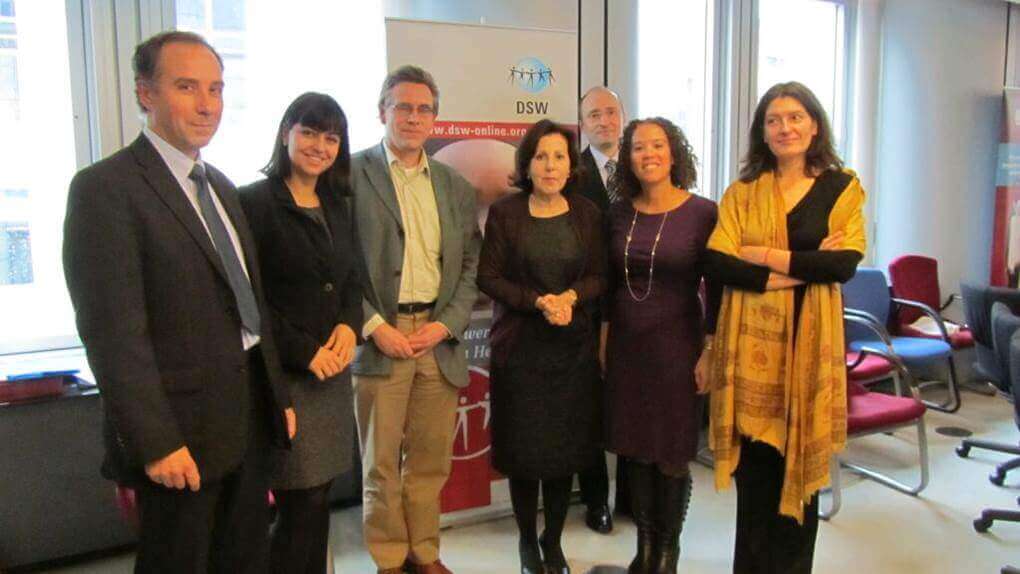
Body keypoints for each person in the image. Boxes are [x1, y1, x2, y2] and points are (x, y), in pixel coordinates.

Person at [62, 30, 295, 573]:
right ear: (146, 94)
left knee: (244, 560)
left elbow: (249, 307)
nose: (206, 103)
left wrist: (276, 395)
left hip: (248, 423)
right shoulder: (106, 189)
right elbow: (113, 334)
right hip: (179, 438)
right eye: (186, 86)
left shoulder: (221, 186)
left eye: (215, 88)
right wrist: (155, 442)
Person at [704, 81, 866, 574]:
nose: (785, 128)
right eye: (774, 120)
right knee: (756, 476)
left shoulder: (842, 186)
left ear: (814, 124)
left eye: (795, 117)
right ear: (762, 132)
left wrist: (766, 257)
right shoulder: (744, 192)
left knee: (799, 472)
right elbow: (717, 261)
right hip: (752, 353)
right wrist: (802, 268)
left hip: (808, 348)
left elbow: (844, 263)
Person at [350, 65, 481, 574]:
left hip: (436, 338)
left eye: (424, 108)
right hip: (378, 336)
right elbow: (337, 264)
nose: (413, 116)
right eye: (402, 106)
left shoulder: (454, 184)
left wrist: (447, 323)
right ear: (381, 111)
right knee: (380, 465)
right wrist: (373, 326)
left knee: (429, 462)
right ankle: (387, 559)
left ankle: (424, 553)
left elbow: (470, 264)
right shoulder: (351, 176)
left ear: (436, 118)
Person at [238, 92, 362, 574]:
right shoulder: (254, 202)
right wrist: (304, 351)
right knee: (299, 501)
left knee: (319, 497)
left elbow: (353, 279)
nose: (319, 146)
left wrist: (351, 327)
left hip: (333, 375)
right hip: (287, 376)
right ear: (286, 131)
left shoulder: (338, 203)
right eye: (309, 132)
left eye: (331, 137)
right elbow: (251, 299)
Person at [478, 119, 605, 574]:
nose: (550, 166)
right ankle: (527, 543)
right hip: (519, 352)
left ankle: (553, 540)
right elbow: (488, 277)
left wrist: (570, 297)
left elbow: (598, 275)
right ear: (526, 164)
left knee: (562, 453)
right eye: (541, 156)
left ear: (571, 166)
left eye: (559, 157)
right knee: (524, 453)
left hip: (571, 353)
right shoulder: (506, 214)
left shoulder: (587, 214)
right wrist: (538, 302)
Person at [603, 117, 720, 574]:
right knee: (636, 448)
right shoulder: (618, 213)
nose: (648, 154)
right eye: (637, 147)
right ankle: (645, 547)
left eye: (657, 145)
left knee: (671, 452)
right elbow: (611, 286)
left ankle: (667, 552)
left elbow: (719, 291)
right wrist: (603, 343)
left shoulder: (703, 212)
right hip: (628, 348)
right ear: (628, 157)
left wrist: (710, 351)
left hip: (679, 348)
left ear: (674, 153)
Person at [574, 85, 628, 531]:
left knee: (635, 402)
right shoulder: (568, 172)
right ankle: (597, 500)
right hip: (588, 307)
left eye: (611, 112)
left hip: (639, 305)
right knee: (589, 407)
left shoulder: (648, 164)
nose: (604, 121)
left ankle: (632, 495)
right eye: (594, 114)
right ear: (583, 124)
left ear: (622, 117)